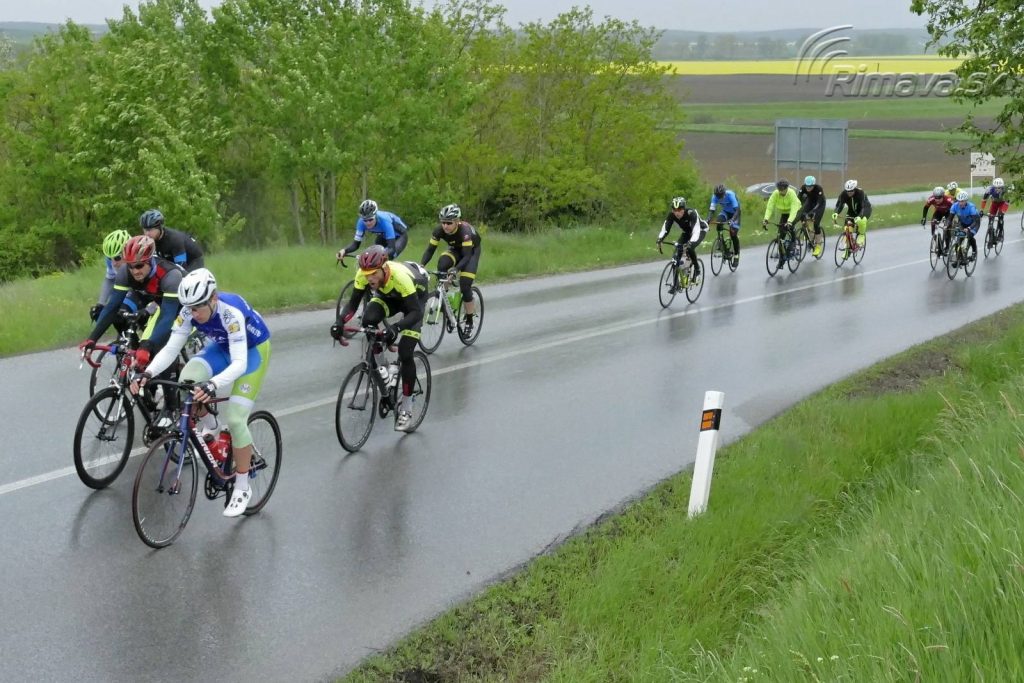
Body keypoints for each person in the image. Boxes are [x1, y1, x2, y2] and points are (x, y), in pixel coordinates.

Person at [134, 268, 272, 518]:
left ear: (213, 298)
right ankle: (212, 426)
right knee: (188, 381)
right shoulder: (188, 311)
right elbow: (171, 349)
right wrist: (148, 372)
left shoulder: (231, 313)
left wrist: (212, 384)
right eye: (189, 308)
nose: (193, 313)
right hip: (221, 347)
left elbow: (239, 363)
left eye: (198, 307)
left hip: (252, 353)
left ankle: (242, 487)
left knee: (236, 419)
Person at [79, 235, 185, 423]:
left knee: (162, 348)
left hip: (186, 310)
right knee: (143, 341)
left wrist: (148, 346)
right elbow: (112, 308)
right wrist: (92, 339)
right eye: (130, 266)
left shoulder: (170, 276)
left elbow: (168, 318)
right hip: (161, 303)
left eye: (139, 266)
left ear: (150, 261)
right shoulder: (125, 273)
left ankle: (172, 409)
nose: (135, 271)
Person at [331, 245, 429, 432]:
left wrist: (396, 328)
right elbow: (352, 305)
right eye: (366, 274)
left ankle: (406, 409)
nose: (369, 278)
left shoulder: (400, 278)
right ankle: (384, 370)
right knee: (368, 320)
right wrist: (339, 322)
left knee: (405, 352)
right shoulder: (364, 275)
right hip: (389, 297)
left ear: (384, 268)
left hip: (415, 300)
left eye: (374, 274)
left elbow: (415, 312)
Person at [420, 204, 482, 332]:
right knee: (442, 264)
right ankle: (446, 301)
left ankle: (469, 320)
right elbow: (430, 250)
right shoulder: (439, 230)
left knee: (465, 285)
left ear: (457, 221)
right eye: (443, 222)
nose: (445, 226)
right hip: (455, 249)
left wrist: (455, 269)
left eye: (449, 223)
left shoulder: (465, 232)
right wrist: (421, 265)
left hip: (471, 252)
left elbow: (466, 256)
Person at [90, 229, 144, 333]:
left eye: (117, 258)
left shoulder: (140, 260)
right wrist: (100, 304)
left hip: (146, 290)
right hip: (130, 287)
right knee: (116, 313)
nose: (113, 263)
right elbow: (109, 280)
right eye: (109, 258)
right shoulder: (112, 262)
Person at [336, 199, 409, 263]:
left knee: (387, 257)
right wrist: (344, 250)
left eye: (370, 219)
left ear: (375, 216)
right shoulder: (361, 222)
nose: (368, 223)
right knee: (373, 261)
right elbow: (356, 244)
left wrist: (374, 256)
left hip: (400, 236)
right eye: (365, 220)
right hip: (383, 235)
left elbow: (391, 249)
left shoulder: (384, 221)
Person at [656, 196, 706, 281]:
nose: (677, 213)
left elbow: (696, 230)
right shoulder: (672, 215)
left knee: (690, 248)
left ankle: (697, 270)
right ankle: (675, 283)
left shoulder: (691, 213)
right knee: (675, 257)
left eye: (679, 210)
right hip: (687, 232)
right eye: (674, 210)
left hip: (700, 230)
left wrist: (690, 243)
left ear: (684, 209)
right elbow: (665, 229)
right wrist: (660, 239)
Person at [139, 209, 206, 272]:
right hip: (172, 258)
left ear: (159, 227)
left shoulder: (174, 240)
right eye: (145, 230)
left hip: (193, 261)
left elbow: (181, 267)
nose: (147, 234)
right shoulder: (151, 239)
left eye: (150, 230)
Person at [762, 179, 802, 268]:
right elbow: (770, 207)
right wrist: (766, 219)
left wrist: (790, 221)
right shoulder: (775, 194)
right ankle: (782, 260)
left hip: (795, 211)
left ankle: (793, 243)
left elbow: (794, 209)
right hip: (784, 213)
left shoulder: (791, 193)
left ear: (787, 188)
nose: (781, 191)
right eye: (779, 189)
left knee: (790, 226)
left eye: (783, 189)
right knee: (780, 236)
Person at [706, 184, 741, 267]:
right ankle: (721, 242)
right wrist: (708, 219)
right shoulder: (714, 197)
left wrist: (732, 220)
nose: (719, 198)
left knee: (733, 233)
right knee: (719, 222)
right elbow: (712, 210)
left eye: (721, 196)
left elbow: (737, 210)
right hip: (725, 212)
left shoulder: (730, 195)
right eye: (718, 196)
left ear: (724, 193)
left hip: (735, 213)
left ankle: (736, 255)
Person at [832, 179, 871, 247]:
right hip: (852, 212)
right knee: (847, 227)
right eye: (848, 191)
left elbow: (863, 206)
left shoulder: (860, 193)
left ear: (855, 189)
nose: (849, 193)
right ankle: (849, 245)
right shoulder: (844, 194)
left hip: (864, 210)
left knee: (861, 221)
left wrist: (859, 216)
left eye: (851, 191)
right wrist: (836, 212)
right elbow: (840, 205)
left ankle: (861, 235)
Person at [795, 175, 827, 257]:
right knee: (802, 216)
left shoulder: (818, 188)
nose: (808, 188)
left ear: (814, 185)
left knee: (816, 223)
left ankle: (818, 245)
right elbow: (798, 199)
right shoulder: (803, 188)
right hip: (810, 202)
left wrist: (813, 211)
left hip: (820, 204)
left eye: (810, 186)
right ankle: (810, 237)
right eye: (807, 186)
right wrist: (796, 208)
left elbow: (819, 202)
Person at [949, 190, 982, 260]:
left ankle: (974, 252)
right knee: (959, 240)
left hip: (974, 223)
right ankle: (959, 259)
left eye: (962, 201)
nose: (960, 203)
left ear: (966, 201)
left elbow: (976, 221)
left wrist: (969, 228)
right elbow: (950, 219)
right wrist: (946, 226)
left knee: (969, 236)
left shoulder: (971, 207)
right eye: (959, 201)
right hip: (963, 223)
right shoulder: (954, 206)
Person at [921, 186, 954, 253]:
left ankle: (947, 247)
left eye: (939, 198)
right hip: (938, 212)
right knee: (933, 224)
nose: (937, 200)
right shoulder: (931, 199)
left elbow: (955, 209)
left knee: (946, 228)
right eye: (936, 198)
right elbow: (926, 207)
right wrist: (924, 218)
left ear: (943, 196)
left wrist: (950, 221)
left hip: (948, 213)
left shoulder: (948, 200)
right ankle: (939, 245)